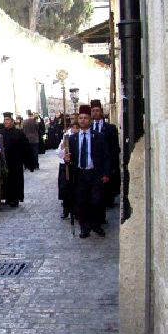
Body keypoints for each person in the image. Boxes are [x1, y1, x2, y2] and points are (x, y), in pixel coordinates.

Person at [64, 105, 110, 238]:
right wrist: (67, 159)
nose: (83, 120)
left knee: (96, 201)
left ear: (90, 120)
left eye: (85, 118)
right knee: (81, 202)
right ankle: (84, 227)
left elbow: (106, 156)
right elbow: (68, 158)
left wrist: (106, 173)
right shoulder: (72, 139)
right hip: (79, 174)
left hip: (95, 173)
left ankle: (96, 224)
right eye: (81, 118)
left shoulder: (99, 137)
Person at [90, 99, 120, 209]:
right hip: (94, 163)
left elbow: (115, 149)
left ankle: (109, 200)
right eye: (93, 111)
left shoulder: (110, 128)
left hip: (107, 162)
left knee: (108, 186)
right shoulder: (89, 129)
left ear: (101, 111)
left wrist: (113, 166)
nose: (95, 113)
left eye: (97, 110)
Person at [1, 112, 35, 207]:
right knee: (6, 180)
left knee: (16, 180)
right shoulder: (1, 133)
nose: (6, 122)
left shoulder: (19, 133)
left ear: (12, 122)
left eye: (8, 120)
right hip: (5, 161)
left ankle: (15, 198)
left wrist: (29, 162)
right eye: (5, 120)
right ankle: (7, 198)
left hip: (16, 161)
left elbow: (26, 148)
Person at [57, 119, 79, 219]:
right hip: (65, 166)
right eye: (73, 127)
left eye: (77, 128)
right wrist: (62, 148)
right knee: (65, 189)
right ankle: (66, 209)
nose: (75, 130)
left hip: (76, 166)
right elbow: (59, 153)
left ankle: (76, 210)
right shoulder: (66, 138)